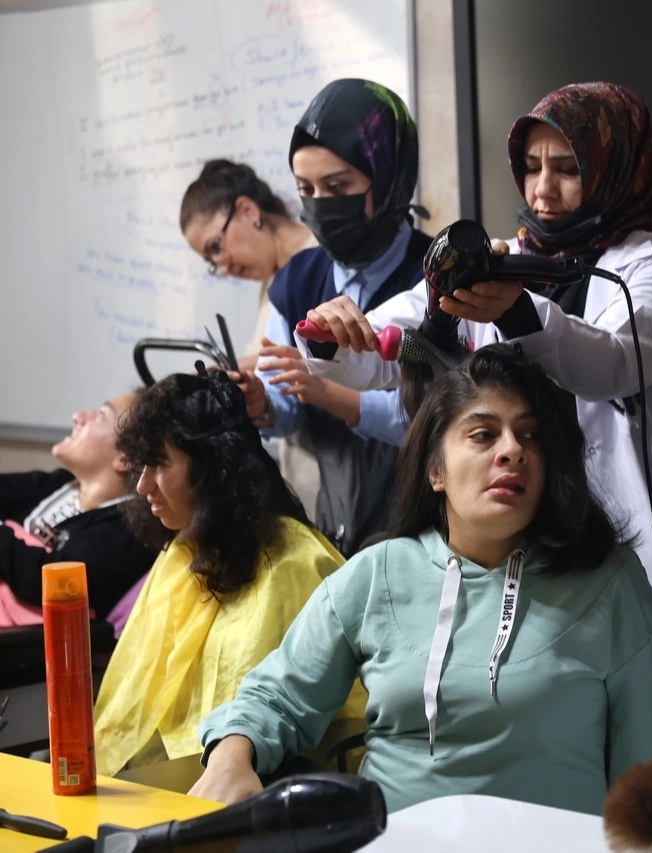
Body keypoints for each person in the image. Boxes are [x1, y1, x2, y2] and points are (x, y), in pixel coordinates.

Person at [297, 82, 652, 727]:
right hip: (529, 528)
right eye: (531, 168)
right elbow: (393, 348)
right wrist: (331, 334)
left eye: (567, 170)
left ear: (615, 168)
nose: (542, 190)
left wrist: (517, 310)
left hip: (637, 532)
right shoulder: (501, 261)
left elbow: (616, 363)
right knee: (552, 721)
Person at [192, 344, 652, 814]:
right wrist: (231, 755)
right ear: (436, 470)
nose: (512, 451)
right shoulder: (377, 573)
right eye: (483, 435)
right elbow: (277, 697)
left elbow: (646, 773)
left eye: (532, 436)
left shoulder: (610, 582)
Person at [93, 371, 364, 776]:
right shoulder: (182, 551)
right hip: (174, 774)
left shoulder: (293, 565)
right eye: (141, 466)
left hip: (255, 779)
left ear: (211, 466)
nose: (144, 485)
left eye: (158, 464)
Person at [230, 78, 430, 555]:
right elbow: (285, 403)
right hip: (334, 529)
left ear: (390, 177)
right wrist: (259, 402)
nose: (319, 204)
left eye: (338, 186)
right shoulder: (296, 280)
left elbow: (436, 415)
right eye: (306, 189)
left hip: (427, 532)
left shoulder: (435, 277)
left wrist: (327, 391)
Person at [180, 159, 321, 518]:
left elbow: (314, 359)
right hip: (309, 485)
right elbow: (278, 392)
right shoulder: (271, 285)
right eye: (212, 261)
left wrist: (233, 368)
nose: (223, 266)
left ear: (247, 211)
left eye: (216, 246)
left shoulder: (322, 258)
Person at [0, 392, 155, 628]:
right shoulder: (57, 483)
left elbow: (54, 584)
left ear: (126, 458)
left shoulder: (129, 530)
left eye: (101, 415)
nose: (78, 416)